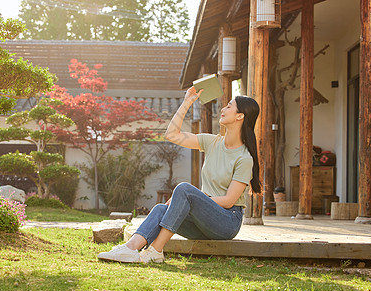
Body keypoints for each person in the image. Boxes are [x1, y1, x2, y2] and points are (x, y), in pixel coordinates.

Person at [98, 86, 261, 263]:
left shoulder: (244, 158)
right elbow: (172, 135)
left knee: (183, 189)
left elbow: (229, 201)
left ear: (240, 116)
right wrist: (186, 102)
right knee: (161, 208)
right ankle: (130, 248)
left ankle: (155, 250)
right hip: (204, 223)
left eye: (229, 106)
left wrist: (190, 198)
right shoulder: (212, 142)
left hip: (226, 222)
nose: (223, 109)